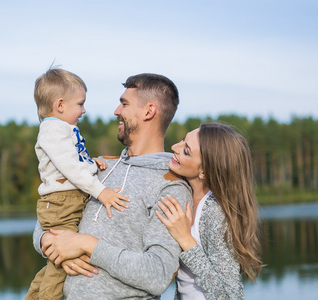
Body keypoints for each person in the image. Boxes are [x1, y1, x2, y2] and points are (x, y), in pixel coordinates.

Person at [33, 73, 193, 299]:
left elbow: (157, 275)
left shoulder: (169, 185)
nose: (116, 111)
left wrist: (87, 245)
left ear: (149, 111)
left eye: (124, 104)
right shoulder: (98, 167)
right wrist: (49, 242)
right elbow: (47, 217)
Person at [25, 68, 130, 300]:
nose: (83, 110)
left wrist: (91, 163)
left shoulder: (62, 128)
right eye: (80, 104)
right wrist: (102, 193)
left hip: (66, 201)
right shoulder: (52, 130)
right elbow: (70, 168)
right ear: (60, 105)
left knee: (56, 264)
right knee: (62, 263)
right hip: (62, 203)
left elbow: (71, 160)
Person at [156, 122, 263, 299]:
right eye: (183, 140)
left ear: (204, 172)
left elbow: (230, 296)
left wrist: (186, 241)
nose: (175, 147)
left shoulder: (215, 213)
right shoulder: (184, 194)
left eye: (186, 150)